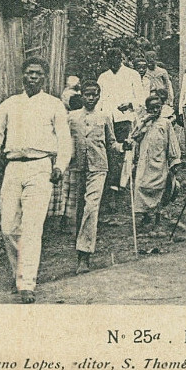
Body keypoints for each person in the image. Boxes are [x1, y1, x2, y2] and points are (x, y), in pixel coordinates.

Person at [0, 57, 71, 303]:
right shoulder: (10, 103)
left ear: (45, 78)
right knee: (8, 227)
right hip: (13, 168)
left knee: (32, 229)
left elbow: (64, 139)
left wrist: (60, 166)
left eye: (38, 74)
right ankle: (18, 275)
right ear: (22, 75)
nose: (33, 77)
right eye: (29, 73)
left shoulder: (54, 104)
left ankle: (27, 283)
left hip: (40, 167)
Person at [58, 80, 124, 275]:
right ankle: (79, 248)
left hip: (99, 167)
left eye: (95, 94)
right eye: (88, 94)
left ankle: (84, 255)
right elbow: (63, 140)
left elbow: (112, 143)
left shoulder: (104, 117)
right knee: (78, 210)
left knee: (91, 207)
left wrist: (123, 147)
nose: (91, 98)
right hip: (77, 167)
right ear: (82, 95)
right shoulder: (72, 117)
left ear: (99, 96)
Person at [97, 48, 146, 210]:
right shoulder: (103, 77)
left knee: (123, 153)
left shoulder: (132, 75)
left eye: (117, 59)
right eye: (110, 60)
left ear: (122, 59)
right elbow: (99, 100)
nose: (114, 62)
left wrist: (130, 104)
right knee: (109, 153)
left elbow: (141, 98)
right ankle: (108, 187)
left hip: (124, 119)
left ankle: (118, 187)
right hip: (107, 120)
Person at [129, 93, 182, 232]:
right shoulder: (142, 122)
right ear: (147, 109)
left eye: (157, 108)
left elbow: (172, 143)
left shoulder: (165, 124)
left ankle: (157, 218)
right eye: (151, 108)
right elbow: (134, 138)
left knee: (160, 189)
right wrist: (144, 123)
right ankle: (145, 216)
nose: (155, 111)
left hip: (159, 162)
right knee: (141, 186)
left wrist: (174, 161)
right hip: (144, 162)